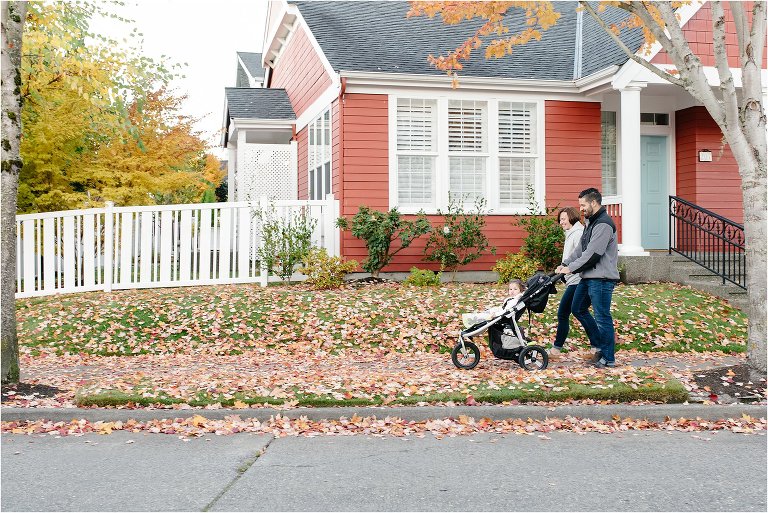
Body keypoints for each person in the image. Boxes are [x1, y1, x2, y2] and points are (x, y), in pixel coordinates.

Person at [556, 188, 620, 368]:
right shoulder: (590, 222)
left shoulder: (603, 224)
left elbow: (593, 254)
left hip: (601, 278)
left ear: (594, 202)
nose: (581, 209)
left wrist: (571, 269)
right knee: (577, 308)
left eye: (583, 205)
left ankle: (608, 358)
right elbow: (580, 250)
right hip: (588, 276)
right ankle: (599, 346)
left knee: (602, 317)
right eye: (580, 205)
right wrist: (566, 263)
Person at [549, 206, 593, 359]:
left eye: (563, 219)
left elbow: (581, 256)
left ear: (572, 217)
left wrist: (568, 268)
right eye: (560, 219)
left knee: (571, 312)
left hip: (578, 280)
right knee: (569, 313)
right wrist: (563, 266)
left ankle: (557, 350)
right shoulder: (571, 233)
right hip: (572, 280)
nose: (561, 222)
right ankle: (596, 346)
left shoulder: (578, 233)